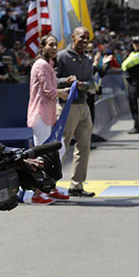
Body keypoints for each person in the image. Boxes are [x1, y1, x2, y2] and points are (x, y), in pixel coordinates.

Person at [26, 35, 71, 204]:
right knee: (45, 155)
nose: (54, 48)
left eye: (55, 45)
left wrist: (66, 87)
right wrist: (63, 92)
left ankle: (50, 188)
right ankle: (36, 194)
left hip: (48, 115)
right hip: (40, 115)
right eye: (50, 45)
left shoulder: (48, 64)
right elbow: (49, 92)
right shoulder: (41, 65)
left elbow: (52, 89)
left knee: (59, 150)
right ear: (42, 46)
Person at [56, 26, 96, 197]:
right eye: (82, 37)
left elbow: (92, 81)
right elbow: (52, 79)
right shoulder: (62, 57)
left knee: (84, 146)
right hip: (67, 107)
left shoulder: (87, 60)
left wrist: (84, 85)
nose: (85, 41)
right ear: (73, 37)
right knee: (62, 147)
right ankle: (51, 184)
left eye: (87, 38)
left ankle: (77, 185)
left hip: (83, 106)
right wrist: (68, 80)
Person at [122, 36, 139, 133]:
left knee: (136, 102)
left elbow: (128, 64)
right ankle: (135, 124)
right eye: (134, 43)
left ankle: (138, 125)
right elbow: (124, 65)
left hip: (138, 81)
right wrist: (126, 64)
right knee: (132, 102)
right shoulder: (133, 53)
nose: (136, 45)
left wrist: (127, 64)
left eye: (138, 43)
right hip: (131, 81)